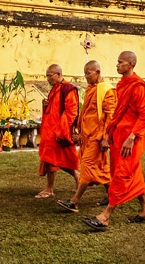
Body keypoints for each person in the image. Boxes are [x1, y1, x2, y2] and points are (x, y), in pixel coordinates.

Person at [83, 51, 145, 230]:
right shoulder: (122, 84)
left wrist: (131, 137)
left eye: (120, 62)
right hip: (121, 135)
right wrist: (111, 132)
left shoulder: (138, 86)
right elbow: (120, 112)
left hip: (133, 136)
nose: (117, 65)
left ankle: (105, 216)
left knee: (122, 173)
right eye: (117, 62)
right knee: (131, 171)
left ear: (130, 64)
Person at [57, 60, 115, 213]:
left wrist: (105, 137)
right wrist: (78, 129)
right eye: (85, 73)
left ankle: (74, 201)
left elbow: (110, 115)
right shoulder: (91, 89)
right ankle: (113, 195)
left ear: (97, 71)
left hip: (98, 136)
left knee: (87, 168)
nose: (86, 76)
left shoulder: (107, 90)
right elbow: (86, 113)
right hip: (87, 136)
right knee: (101, 169)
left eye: (88, 73)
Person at [36, 64, 80, 199]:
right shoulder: (55, 89)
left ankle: (52, 188)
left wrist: (61, 130)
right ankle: (74, 177)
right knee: (52, 159)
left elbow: (72, 111)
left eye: (50, 76)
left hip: (59, 131)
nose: (48, 79)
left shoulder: (68, 89)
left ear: (59, 74)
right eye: (47, 76)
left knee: (59, 159)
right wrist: (46, 105)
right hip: (49, 131)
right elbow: (54, 109)